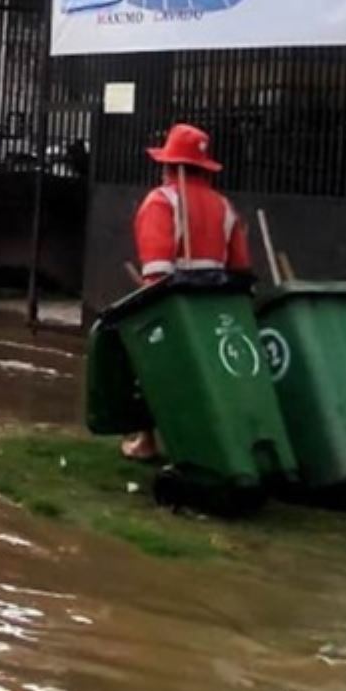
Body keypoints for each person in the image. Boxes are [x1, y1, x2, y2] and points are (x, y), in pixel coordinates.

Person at [122, 122, 252, 460]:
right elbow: (240, 267)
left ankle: (146, 441)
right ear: (203, 169)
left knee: (136, 355)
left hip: (175, 309)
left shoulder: (161, 201)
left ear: (169, 166)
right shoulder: (225, 206)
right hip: (217, 312)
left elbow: (156, 273)